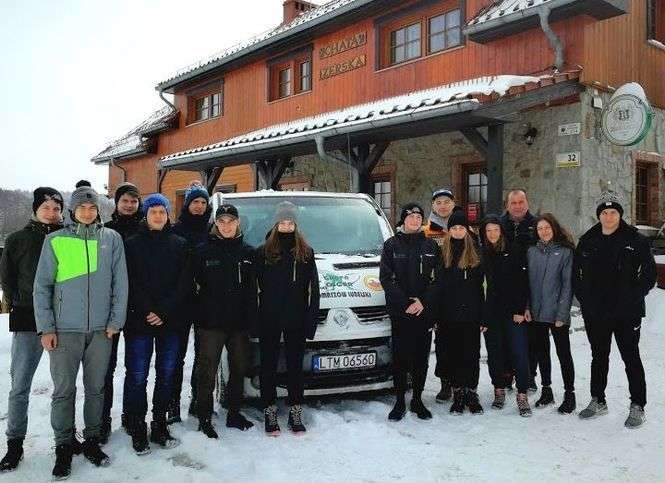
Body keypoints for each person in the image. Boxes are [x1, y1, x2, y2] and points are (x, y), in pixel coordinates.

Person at [33, 186, 128, 479]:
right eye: (81, 208)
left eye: (92, 207)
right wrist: (46, 327)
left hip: (101, 331)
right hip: (64, 331)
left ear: (98, 210)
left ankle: (92, 440)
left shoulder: (111, 239)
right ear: (72, 210)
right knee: (64, 390)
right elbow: (42, 287)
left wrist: (115, 322)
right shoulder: (55, 240)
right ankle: (63, 444)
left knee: (96, 388)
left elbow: (120, 284)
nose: (87, 212)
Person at [574, 192, 656, 428]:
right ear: (599, 215)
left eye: (613, 212)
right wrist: (585, 301)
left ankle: (638, 404)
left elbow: (648, 275)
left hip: (626, 313)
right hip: (596, 313)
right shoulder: (588, 240)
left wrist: (632, 297)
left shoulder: (635, 240)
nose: (608, 216)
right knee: (598, 358)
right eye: (604, 212)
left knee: (631, 358)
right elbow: (576, 275)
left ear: (619, 214)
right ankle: (598, 400)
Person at [0, 188, 64, 472]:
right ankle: (14, 444)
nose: (52, 212)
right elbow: (7, 278)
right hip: (27, 317)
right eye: (46, 207)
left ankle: (64, 438)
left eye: (56, 208)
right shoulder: (17, 240)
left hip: (62, 318)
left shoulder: (67, 237)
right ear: (36, 209)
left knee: (63, 385)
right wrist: (13, 301)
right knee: (20, 385)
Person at [122, 194, 191, 454]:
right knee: (137, 375)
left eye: (163, 212)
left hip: (170, 321)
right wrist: (149, 309)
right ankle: (137, 423)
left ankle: (159, 421)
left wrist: (163, 310)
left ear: (168, 215)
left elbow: (184, 283)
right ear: (146, 215)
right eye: (154, 212)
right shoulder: (132, 245)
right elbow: (130, 282)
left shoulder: (180, 244)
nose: (159, 216)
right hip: (139, 320)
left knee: (166, 374)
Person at [255, 202, 320, 435]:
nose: (286, 226)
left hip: (296, 318)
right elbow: (255, 289)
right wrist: (256, 319)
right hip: (269, 318)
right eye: (282, 222)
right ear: (276, 223)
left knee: (295, 367)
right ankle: (270, 411)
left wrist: (310, 321)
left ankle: (295, 410)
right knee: (269, 367)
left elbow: (314, 290)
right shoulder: (263, 252)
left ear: (295, 224)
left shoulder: (306, 252)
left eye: (290, 222)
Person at [194, 204, 257, 438]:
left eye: (231, 221)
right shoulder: (203, 252)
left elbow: (253, 291)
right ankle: (204, 418)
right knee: (207, 372)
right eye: (222, 221)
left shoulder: (249, 253)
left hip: (239, 325)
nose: (227, 225)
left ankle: (234, 413)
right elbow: (192, 288)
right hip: (211, 324)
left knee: (239, 369)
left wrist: (252, 319)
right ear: (216, 224)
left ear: (238, 223)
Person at [380, 203, 440, 421]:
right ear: (403, 219)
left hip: (423, 313)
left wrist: (422, 302)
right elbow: (386, 278)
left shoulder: (431, 246)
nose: (415, 220)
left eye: (419, 217)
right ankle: (399, 401)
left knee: (420, 358)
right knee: (400, 357)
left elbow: (438, 278)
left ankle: (417, 399)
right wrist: (406, 303)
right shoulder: (391, 246)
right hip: (401, 312)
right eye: (411, 216)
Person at [101, 182, 142, 442]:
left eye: (134, 201)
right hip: (110, 308)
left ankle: (132, 415)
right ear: (117, 202)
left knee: (135, 367)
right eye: (125, 200)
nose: (129, 205)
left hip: (138, 307)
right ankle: (102, 419)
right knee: (106, 366)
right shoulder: (105, 231)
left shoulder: (145, 228)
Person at [479, 214, 532, 417]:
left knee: (519, 352)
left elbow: (522, 282)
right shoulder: (482, 254)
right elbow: (480, 289)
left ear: (501, 230)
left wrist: (520, 309)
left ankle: (522, 394)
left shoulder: (514, 250)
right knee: (495, 354)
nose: (492, 234)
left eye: (495, 230)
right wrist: (483, 318)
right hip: (491, 314)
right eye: (488, 231)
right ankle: (499, 389)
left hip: (513, 313)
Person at [169, 183, 212, 423]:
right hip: (181, 303)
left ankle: (199, 400)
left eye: (203, 202)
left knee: (203, 356)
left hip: (205, 303)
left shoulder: (212, 230)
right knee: (177, 356)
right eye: (195, 202)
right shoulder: (176, 230)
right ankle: (172, 403)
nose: (199, 206)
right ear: (187, 204)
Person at [435, 210, 485, 415]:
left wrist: (483, 315)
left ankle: (471, 392)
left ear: (467, 229)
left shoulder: (475, 252)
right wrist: (437, 315)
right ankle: (458, 393)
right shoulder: (442, 253)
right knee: (453, 355)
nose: (457, 231)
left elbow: (483, 288)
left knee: (471, 355)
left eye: (461, 228)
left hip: (471, 314)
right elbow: (437, 286)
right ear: (449, 231)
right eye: (454, 228)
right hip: (448, 315)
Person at [527, 213, 576, 414]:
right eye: (540, 228)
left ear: (554, 228)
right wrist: (527, 307)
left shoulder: (565, 252)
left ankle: (569, 393)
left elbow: (567, 285)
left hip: (557, 314)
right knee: (542, 353)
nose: (544, 231)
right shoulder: (531, 252)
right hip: (537, 313)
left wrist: (562, 314)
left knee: (563, 354)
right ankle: (546, 390)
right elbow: (526, 283)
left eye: (547, 227)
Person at [500, 189, 539, 392]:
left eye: (521, 201)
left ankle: (530, 375)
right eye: (513, 202)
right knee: (508, 336)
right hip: (506, 287)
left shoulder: (537, 225)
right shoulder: (499, 225)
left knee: (530, 336)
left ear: (527, 203)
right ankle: (507, 375)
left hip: (531, 285)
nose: (517, 206)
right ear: (507, 205)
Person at [423, 188, 455, 403]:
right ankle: (445, 383)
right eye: (439, 202)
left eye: (447, 202)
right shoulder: (425, 231)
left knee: (460, 340)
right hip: (436, 293)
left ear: (453, 204)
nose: (443, 205)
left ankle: (460, 381)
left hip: (459, 293)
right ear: (433, 206)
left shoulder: (461, 228)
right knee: (442, 341)